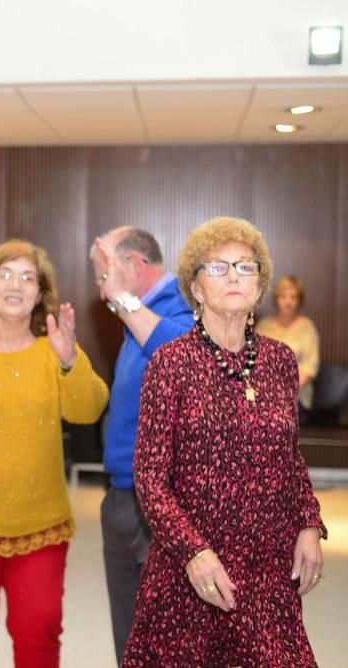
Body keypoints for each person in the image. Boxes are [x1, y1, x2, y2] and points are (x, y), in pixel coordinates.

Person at [123, 216, 326, 666]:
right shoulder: (170, 364)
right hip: (192, 571)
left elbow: (290, 457)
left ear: (259, 284)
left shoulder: (281, 361)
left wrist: (309, 523)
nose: (233, 274)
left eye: (245, 266)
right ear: (195, 288)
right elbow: (151, 478)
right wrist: (194, 553)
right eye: (217, 267)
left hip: (268, 568)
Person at [0, 239, 108, 668]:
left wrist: (67, 361)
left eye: (28, 277)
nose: (15, 285)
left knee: (38, 634)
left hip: (41, 524)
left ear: (41, 293)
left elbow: (88, 409)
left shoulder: (53, 347)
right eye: (5, 274)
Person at [89, 226, 193, 665]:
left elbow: (183, 353)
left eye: (103, 276)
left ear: (134, 265)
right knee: (128, 630)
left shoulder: (184, 303)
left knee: (173, 629)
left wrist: (123, 301)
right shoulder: (137, 317)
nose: (103, 290)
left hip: (162, 499)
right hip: (121, 493)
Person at [256, 275, 320, 420]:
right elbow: (255, 363)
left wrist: (287, 392)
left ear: (299, 301)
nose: (288, 302)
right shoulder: (263, 326)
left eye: (293, 297)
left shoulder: (307, 327)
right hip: (265, 395)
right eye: (283, 296)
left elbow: (310, 367)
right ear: (276, 299)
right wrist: (269, 392)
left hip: (297, 397)